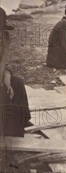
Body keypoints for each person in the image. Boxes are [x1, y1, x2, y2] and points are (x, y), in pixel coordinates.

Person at [1, 7, 31, 137]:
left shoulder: (5, 37)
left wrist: (6, 77)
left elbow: (5, 61)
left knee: (17, 83)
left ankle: (19, 126)